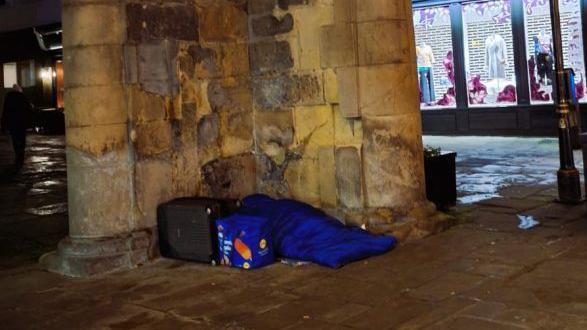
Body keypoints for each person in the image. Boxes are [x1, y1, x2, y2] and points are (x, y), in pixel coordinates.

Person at [1, 84, 32, 170]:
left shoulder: (9, 98)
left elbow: (5, 111)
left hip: (13, 122)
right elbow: (28, 109)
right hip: (22, 122)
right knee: (22, 139)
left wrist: (4, 124)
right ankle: (21, 155)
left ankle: (17, 153)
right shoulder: (23, 97)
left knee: (14, 138)